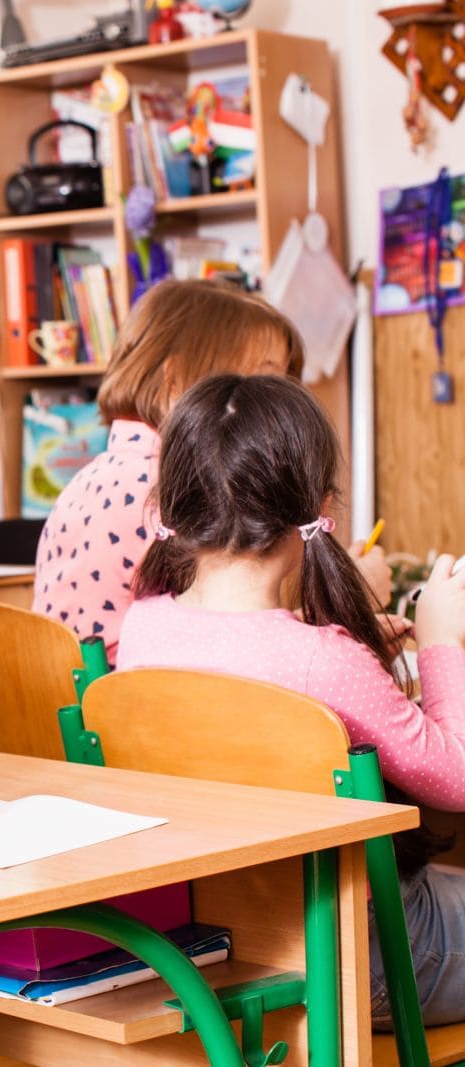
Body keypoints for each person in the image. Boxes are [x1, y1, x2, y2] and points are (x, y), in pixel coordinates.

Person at [118, 373, 465, 1027]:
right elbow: (457, 776)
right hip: (367, 960)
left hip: (216, 947)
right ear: (317, 502)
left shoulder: (145, 625)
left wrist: (365, 661)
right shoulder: (322, 656)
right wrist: (444, 639)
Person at [31, 278, 392, 663]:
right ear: (174, 381)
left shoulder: (93, 476)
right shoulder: (173, 490)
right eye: (259, 380)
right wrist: (351, 592)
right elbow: (237, 652)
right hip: (145, 712)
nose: (276, 404)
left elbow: (223, 631)